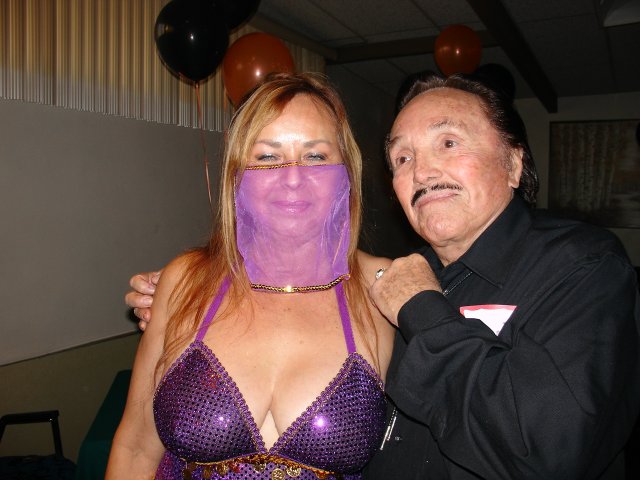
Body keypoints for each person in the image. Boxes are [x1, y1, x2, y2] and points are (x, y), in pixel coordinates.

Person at [127, 72, 640, 479]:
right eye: (403, 157)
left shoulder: (579, 267)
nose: (422, 170)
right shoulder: (403, 278)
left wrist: (420, 308)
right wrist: (179, 294)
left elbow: (551, 444)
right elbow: (135, 445)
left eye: (448, 143)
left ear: (513, 162)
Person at [107, 72, 395, 479]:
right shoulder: (185, 281)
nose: (292, 177)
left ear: (347, 170)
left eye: (315, 156)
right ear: (236, 174)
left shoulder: (384, 287)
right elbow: (136, 449)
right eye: (267, 157)